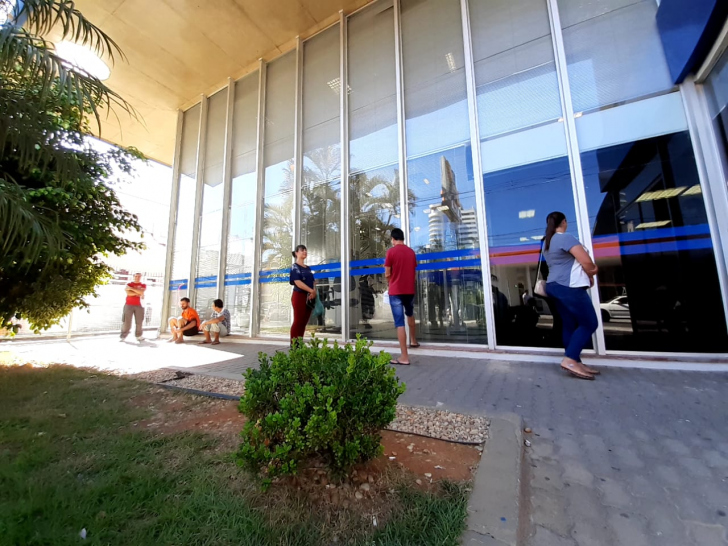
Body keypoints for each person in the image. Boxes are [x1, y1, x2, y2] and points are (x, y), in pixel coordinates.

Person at [542, 211, 599, 380]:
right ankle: (570, 359)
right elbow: (587, 262)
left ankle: (575, 360)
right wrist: (593, 271)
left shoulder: (547, 241)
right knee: (589, 323)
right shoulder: (565, 238)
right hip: (569, 286)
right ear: (564, 222)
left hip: (554, 286)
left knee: (569, 324)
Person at [385, 228, 419, 365]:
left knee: (399, 323)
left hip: (396, 292)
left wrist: (391, 282)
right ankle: (414, 340)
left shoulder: (391, 252)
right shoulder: (411, 252)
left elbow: (387, 273)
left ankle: (404, 357)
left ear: (393, 239)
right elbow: (413, 272)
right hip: (409, 290)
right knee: (410, 314)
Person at [289, 244, 316, 345]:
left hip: (309, 297)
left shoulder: (308, 268)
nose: (304, 251)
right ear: (296, 253)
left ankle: (300, 343)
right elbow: (298, 282)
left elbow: (313, 282)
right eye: (302, 250)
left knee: (304, 322)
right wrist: (311, 290)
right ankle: (294, 345)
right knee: (298, 321)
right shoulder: (294, 267)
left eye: (305, 250)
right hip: (299, 296)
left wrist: (314, 291)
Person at [120, 272, 146, 343]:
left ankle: (138, 335)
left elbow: (141, 292)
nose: (137, 277)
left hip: (139, 305)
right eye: (136, 276)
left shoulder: (143, 285)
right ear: (133, 277)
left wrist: (132, 289)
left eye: (139, 276)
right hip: (129, 305)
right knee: (126, 321)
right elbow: (129, 293)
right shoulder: (129, 284)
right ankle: (123, 335)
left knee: (139, 321)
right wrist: (137, 292)